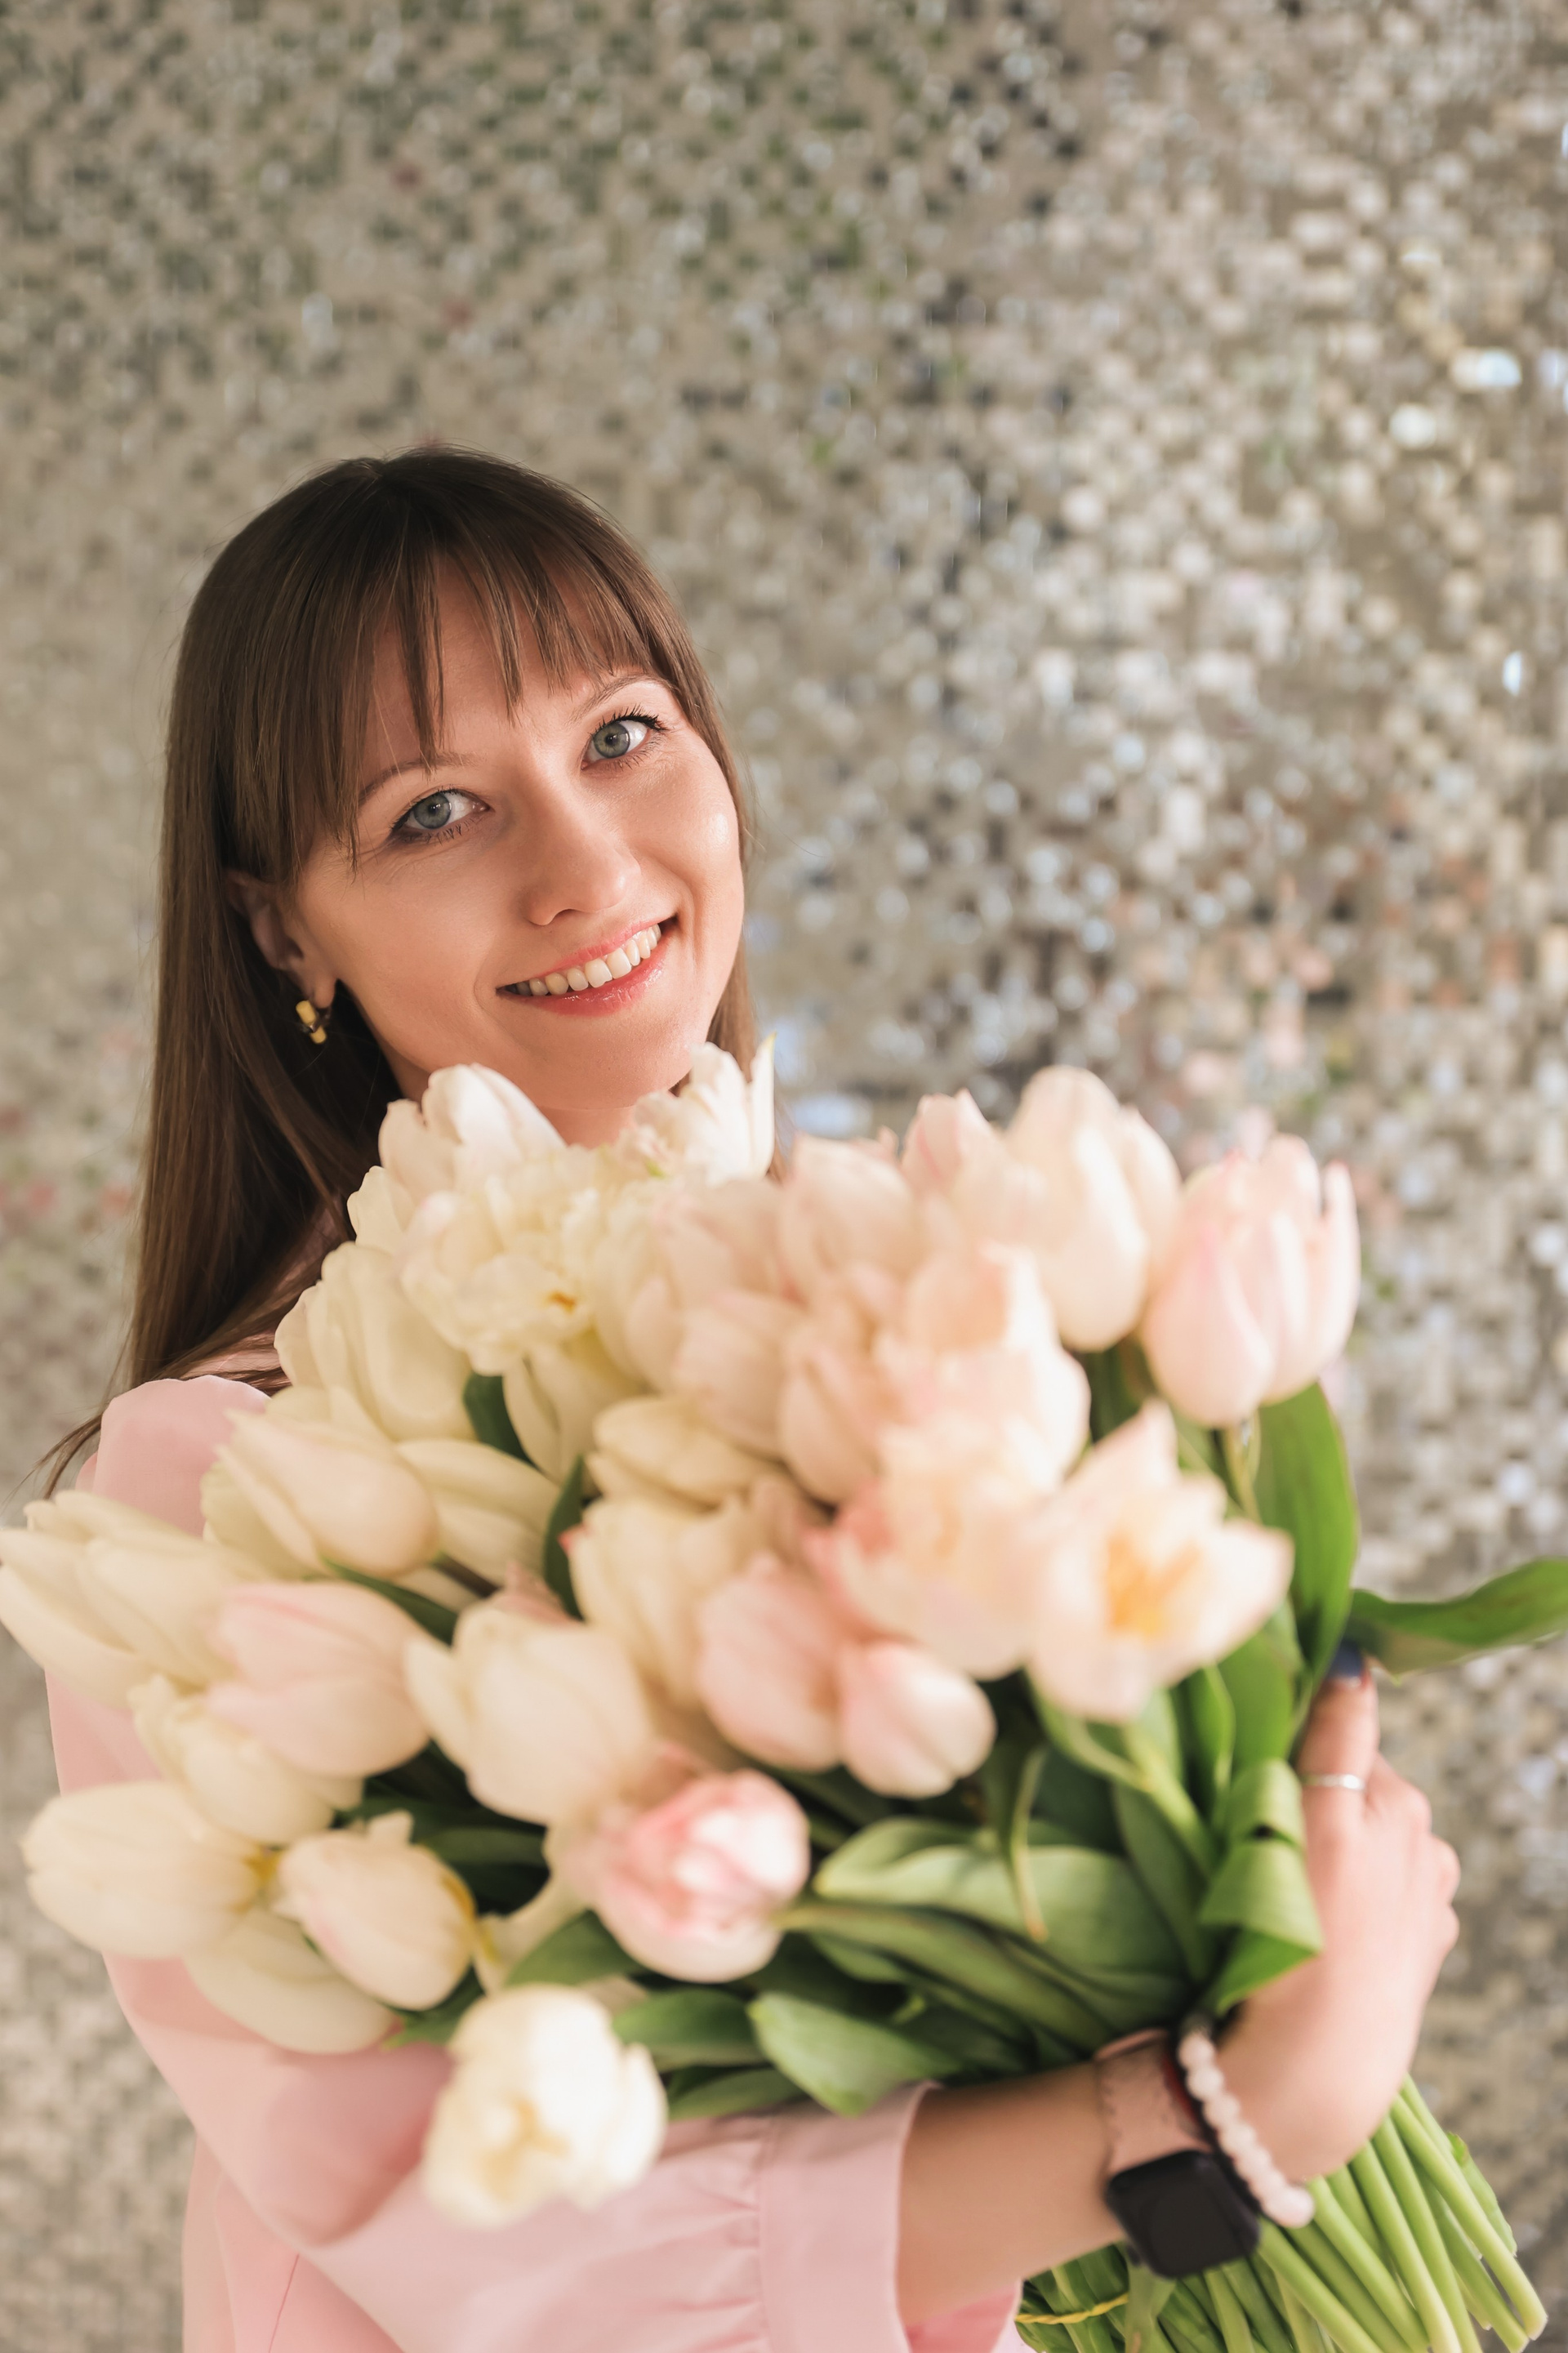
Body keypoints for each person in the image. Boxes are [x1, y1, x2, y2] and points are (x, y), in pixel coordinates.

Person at [47, 448, 1462, 2353]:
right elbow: (510, 2239)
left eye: (622, 734)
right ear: (284, 930)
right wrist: (1226, 2120)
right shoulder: (226, 1488)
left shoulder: (906, 1274)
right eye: (436, 809)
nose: (584, 866)